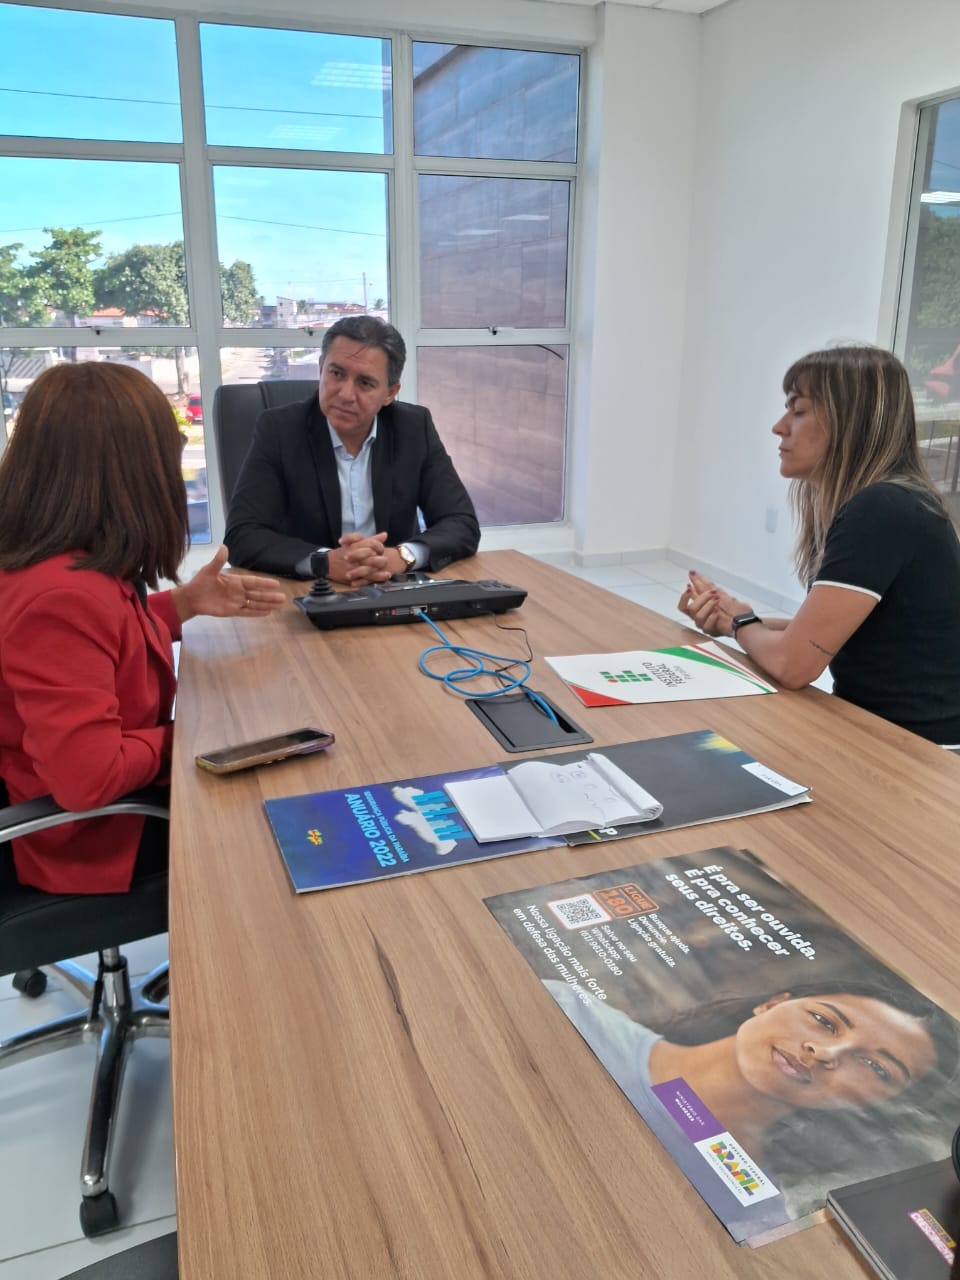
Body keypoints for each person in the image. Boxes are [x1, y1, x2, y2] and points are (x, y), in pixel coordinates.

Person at [0, 361, 285, 895]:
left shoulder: (51, 559)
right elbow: (91, 778)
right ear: (132, 474)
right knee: (278, 830)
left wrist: (181, 604)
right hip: (92, 836)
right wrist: (202, 735)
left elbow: (94, 647)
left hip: (80, 804)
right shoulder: (60, 597)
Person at [678, 345, 960, 745]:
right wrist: (734, 616)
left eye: (798, 410)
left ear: (849, 421)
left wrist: (740, 626)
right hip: (881, 730)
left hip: (915, 753)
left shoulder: (883, 509)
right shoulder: (891, 502)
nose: (779, 426)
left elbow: (794, 664)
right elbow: (832, 634)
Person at [546, 976, 958, 1219]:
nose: (826, 1054)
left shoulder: (757, 1210)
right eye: (823, 1021)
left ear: (879, 1105)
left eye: (878, 1069)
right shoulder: (566, 1011)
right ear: (772, 1003)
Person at [224, 315, 481, 583]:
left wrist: (401, 557)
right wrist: (323, 562)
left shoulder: (414, 429)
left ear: (390, 393)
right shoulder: (279, 430)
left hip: (391, 591)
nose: (346, 394)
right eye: (336, 373)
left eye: (365, 383)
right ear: (320, 368)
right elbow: (242, 535)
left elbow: (461, 522)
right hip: (309, 594)